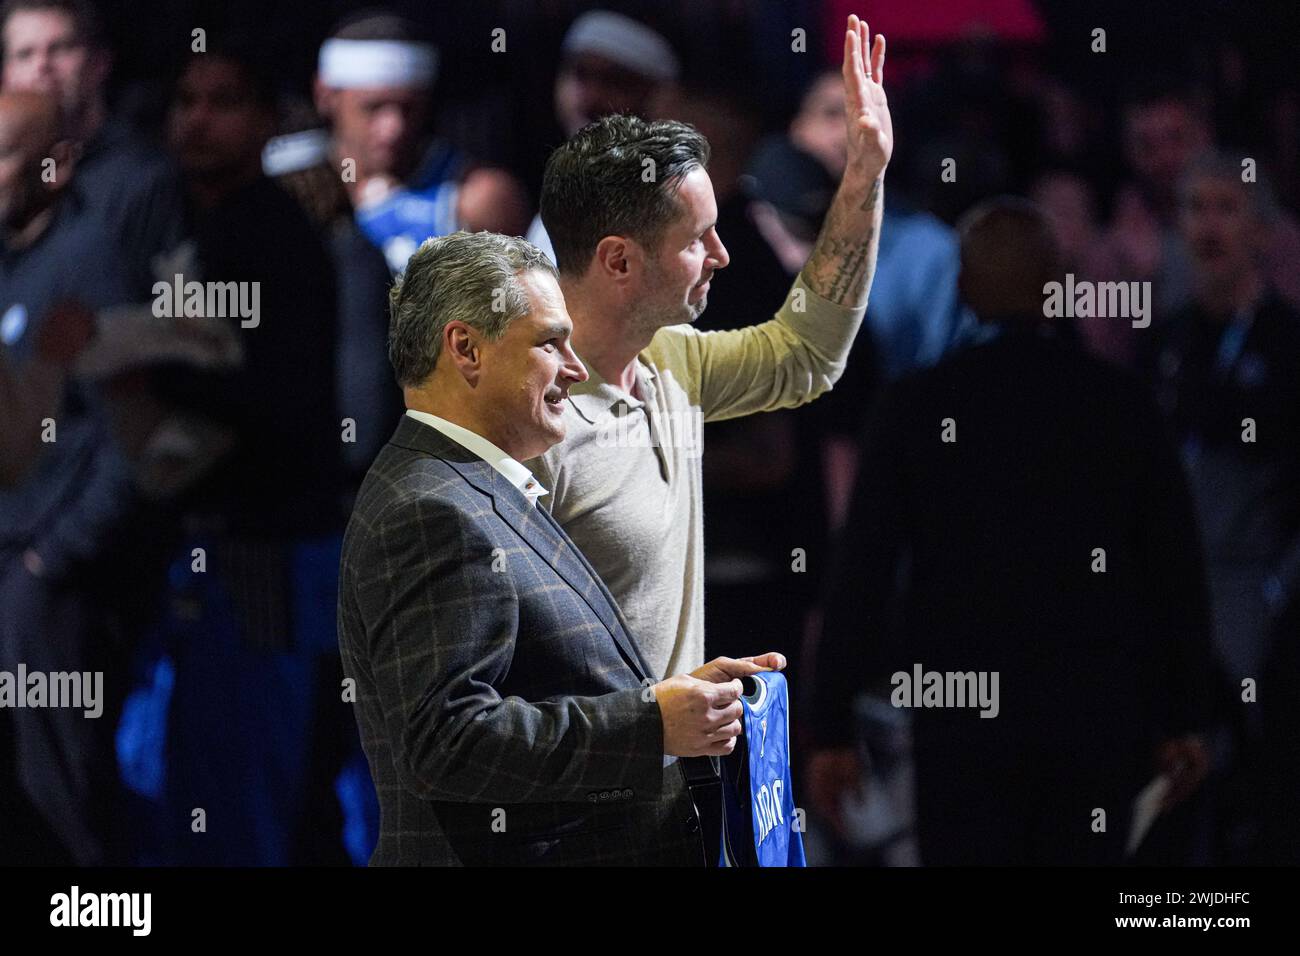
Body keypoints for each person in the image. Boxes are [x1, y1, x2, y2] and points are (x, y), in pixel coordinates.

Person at [338, 230, 782, 866]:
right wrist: (652, 724)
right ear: (466, 348)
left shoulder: (477, 486)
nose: (575, 370)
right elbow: (447, 744)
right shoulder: (431, 510)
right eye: (551, 342)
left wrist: (676, 701)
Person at [807, 198, 1223, 865]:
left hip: (960, 725)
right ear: (1055, 286)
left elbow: (864, 568)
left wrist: (829, 726)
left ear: (964, 289)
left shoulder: (915, 407)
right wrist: (1186, 714)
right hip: (1094, 715)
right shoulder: (1118, 402)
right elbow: (1174, 564)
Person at [527, 15, 891, 683]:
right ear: (620, 261)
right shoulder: (517, 399)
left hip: (667, 768)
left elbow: (806, 354)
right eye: (697, 239)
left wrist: (864, 177)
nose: (723, 255)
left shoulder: (675, 362)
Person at [1141, 153, 1300, 862]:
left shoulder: (1289, 345)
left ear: (1263, 230)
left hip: (1261, 597)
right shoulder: (1164, 343)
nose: (1208, 227)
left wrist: (1276, 589)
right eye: (1195, 209)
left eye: (1226, 209)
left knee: (1257, 783)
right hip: (1174, 593)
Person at [0, 89, 136, 864]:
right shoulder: (12, 259)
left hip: (50, 590)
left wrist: (51, 561)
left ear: (55, 167)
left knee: (63, 799)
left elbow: (133, 440)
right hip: (14, 561)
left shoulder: (92, 264)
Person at [273, 9, 528, 274]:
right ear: (325, 95)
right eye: (373, 108)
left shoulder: (476, 198)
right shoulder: (285, 184)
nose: (393, 128)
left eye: (408, 108)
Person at [1, 0, 184, 294]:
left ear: (99, 63)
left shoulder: (146, 179)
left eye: (60, 48)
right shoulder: (8, 186)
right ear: (7, 76)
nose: (42, 66)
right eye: (25, 54)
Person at [525, 9, 680, 263]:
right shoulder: (564, 185)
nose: (590, 97)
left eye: (615, 81)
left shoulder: (671, 198)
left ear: (660, 98)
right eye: (580, 74)